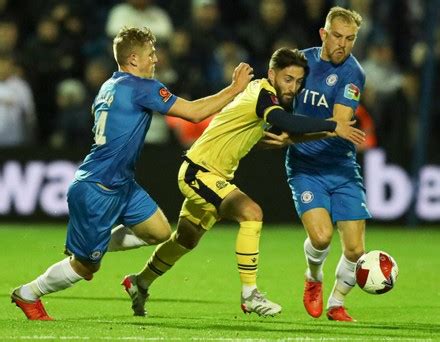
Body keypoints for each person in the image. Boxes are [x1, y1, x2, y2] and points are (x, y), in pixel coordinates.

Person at [10, 26, 254, 321]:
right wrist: (234, 90)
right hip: (98, 187)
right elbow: (193, 113)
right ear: (134, 59)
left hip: (121, 183)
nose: (156, 60)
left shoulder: (109, 85)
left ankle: (93, 245)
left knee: (160, 232)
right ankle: (28, 293)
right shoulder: (141, 87)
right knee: (86, 268)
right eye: (151, 55)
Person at [119, 47, 365, 318]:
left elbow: (273, 133)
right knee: (251, 212)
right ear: (272, 74)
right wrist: (332, 125)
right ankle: (250, 294)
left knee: (186, 239)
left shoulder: (264, 100)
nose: (293, 87)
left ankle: (139, 282)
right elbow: (283, 120)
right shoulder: (263, 94)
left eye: (298, 82)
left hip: (210, 175)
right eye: (287, 79)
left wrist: (301, 137)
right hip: (199, 172)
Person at [265, 7, 371, 322]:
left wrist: (292, 137)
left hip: (341, 167)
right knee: (322, 237)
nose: (343, 44)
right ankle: (314, 277)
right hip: (305, 168)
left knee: (355, 251)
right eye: (337, 36)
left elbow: (337, 124)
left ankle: (336, 303)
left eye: (350, 39)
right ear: (323, 34)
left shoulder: (354, 73)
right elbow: (275, 95)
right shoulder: (300, 62)